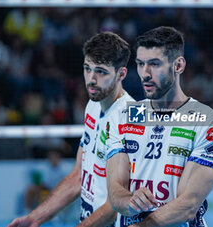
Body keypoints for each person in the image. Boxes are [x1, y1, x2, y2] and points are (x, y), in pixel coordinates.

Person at [8, 31, 133, 227]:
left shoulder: (128, 120)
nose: (91, 79)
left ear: (121, 74)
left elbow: (115, 204)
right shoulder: (93, 105)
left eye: (100, 71)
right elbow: (79, 175)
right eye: (87, 68)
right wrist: (35, 217)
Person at [105, 26, 213, 226]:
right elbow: (116, 191)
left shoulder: (209, 121)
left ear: (178, 65)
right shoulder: (123, 116)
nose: (145, 74)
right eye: (140, 64)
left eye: (154, 64)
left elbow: (188, 204)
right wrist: (131, 201)